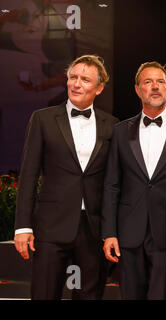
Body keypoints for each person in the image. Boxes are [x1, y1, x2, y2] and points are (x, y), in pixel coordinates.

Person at [14, 54, 118, 299]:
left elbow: (114, 182)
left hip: (94, 230)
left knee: (89, 296)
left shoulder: (112, 125)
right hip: (50, 227)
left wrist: (112, 230)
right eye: (73, 77)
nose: (76, 83)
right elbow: (28, 176)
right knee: (44, 294)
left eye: (85, 79)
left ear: (99, 88)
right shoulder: (43, 119)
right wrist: (22, 227)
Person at [102, 61, 166, 300]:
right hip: (128, 232)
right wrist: (109, 233)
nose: (155, 87)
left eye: (160, 82)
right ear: (138, 90)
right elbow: (111, 184)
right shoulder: (119, 131)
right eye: (148, 82)